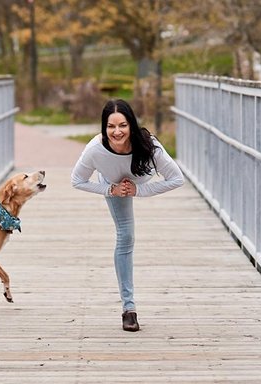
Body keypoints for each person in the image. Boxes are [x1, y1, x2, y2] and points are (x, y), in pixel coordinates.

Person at [71, 99, 184, 332]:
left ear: (131, 125)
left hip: (138, 183)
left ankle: (129, 307)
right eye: (110, 126)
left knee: (127, 235)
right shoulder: (95, 150)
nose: (117, 132)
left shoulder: (150, 146)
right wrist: (110, 189)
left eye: (122, 125)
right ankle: (129, 309)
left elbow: (176, 179)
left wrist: (139, 190)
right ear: (104, 128)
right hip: (112, 184)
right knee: (126, 238)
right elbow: (77, 181)